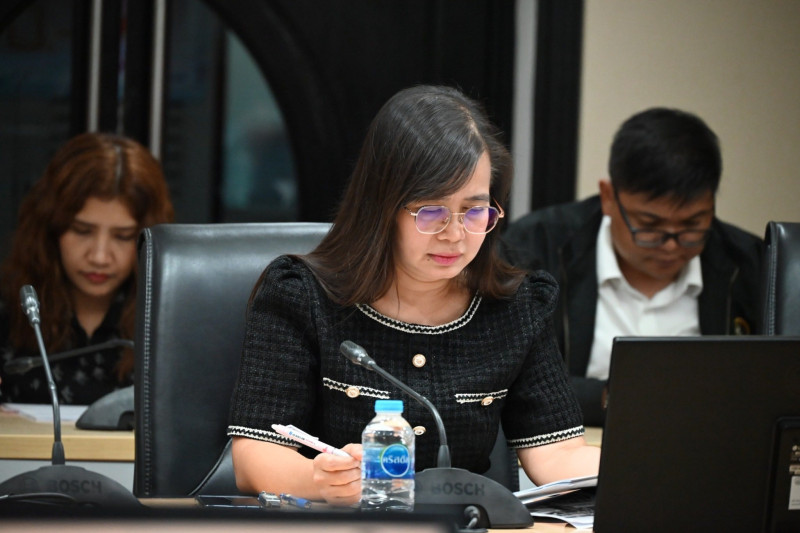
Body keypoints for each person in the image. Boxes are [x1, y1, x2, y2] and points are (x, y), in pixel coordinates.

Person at [227, 85, 600, 506]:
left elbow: (557, 453)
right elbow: (255, 456)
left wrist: (645, 466)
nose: (455, 234)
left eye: (475, 210)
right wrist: (319, 480)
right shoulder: (302, 296)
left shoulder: (517, 308)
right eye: (432, 211)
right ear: (382, 207)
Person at [501, 107, 763, 426]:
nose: (671, 245)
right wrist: (613, 397)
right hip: (569, 443)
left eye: (692, 225)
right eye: (650, 226)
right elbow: (503, 375)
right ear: (609, 197)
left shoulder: (751, 264)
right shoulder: (535, 248)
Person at [0, 132, 174, 405]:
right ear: (50, 227)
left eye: (123, 236)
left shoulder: (172, 317)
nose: (100, 257)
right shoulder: (9, 305)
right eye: (82, 231)